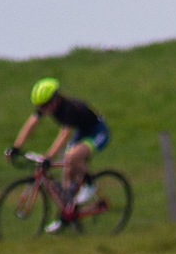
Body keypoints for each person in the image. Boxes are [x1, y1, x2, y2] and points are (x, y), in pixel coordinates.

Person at [8, 77, 110, 223]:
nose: (43, 109)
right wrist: (16, 147)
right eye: (40, 106)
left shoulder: (69, 108)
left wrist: (49, 156)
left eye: (45, 105)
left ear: (55, 99)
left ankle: (90, 183)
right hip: (81, 131)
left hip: (97, 132)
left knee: (73, 157)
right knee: (67, 173)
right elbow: (31, 124)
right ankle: (67, 214)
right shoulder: (48, 105)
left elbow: (64, 135)